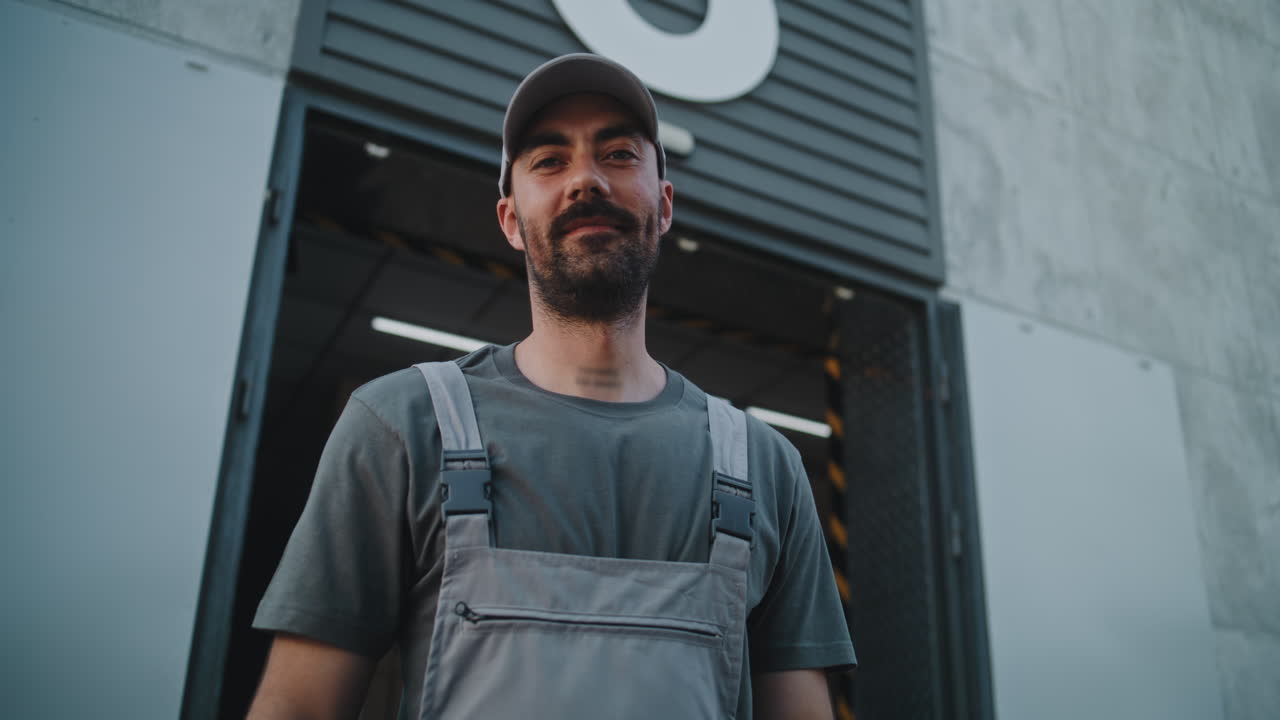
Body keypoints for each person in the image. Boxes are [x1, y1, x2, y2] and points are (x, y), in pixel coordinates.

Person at [247, 54, 855, 720]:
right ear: (510, 220)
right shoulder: (401, 426)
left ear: (666, 205)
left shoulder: (766, 467)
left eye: (619, 154)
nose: (586, 180)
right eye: (548, 161)